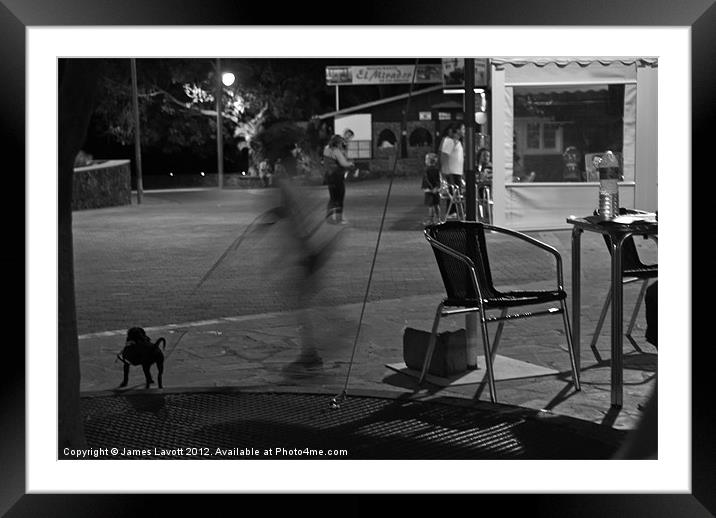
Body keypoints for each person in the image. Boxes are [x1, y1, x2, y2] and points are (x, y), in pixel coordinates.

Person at [322, 134, 355, 224]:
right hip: (336, 176)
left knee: (332, 197)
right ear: (338, 143)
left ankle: (329, 217)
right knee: (339, 197)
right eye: (341, 142)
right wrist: (351, 164)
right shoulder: (336, 151)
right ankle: (338, 218)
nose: (342, 144)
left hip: (329, 176)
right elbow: (344, 163)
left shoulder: (326, 150)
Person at [440, 122, 466, 218]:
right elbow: (444, 156)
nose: (464, 131)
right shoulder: (449, 141)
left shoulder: (457, 142)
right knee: (454, 192)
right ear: (457, 130)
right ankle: (452, 212)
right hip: (451, 171)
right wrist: (445, 171)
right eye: (462, 129)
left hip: (456, 171)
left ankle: (457, 211)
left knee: (457, 192)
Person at [421, 152, 441, 225]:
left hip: (429, 191)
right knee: (436, 205)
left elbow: (426, 180)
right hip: (436, 190)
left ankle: (431, 220)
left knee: (430, 206)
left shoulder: (426, 170)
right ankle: (438, 219)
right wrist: (436, 187)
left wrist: (428, 188)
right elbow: (438, 180)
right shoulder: (437, 170)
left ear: (428, 161)